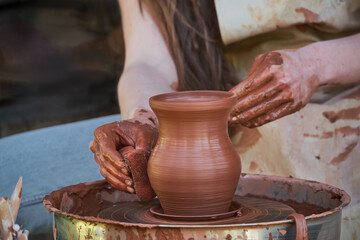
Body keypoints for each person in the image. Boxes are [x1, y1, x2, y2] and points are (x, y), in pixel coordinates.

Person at [90, 0, 360, 239]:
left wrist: (313, 65)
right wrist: (144, 119)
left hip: (339, 96)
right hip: (224, 108)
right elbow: (148, 61)